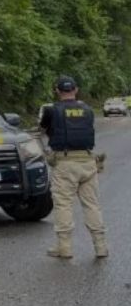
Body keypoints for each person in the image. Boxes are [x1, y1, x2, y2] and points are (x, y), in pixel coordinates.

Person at [39, 75, 107, 259]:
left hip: (65, 163)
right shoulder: (88, 109)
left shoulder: (51, 110)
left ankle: (65, 248)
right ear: (76, 90)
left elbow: (43, 129)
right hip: (88, 161)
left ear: (57, 91)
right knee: (92, 205)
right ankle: (100, 246)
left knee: (63, 205)